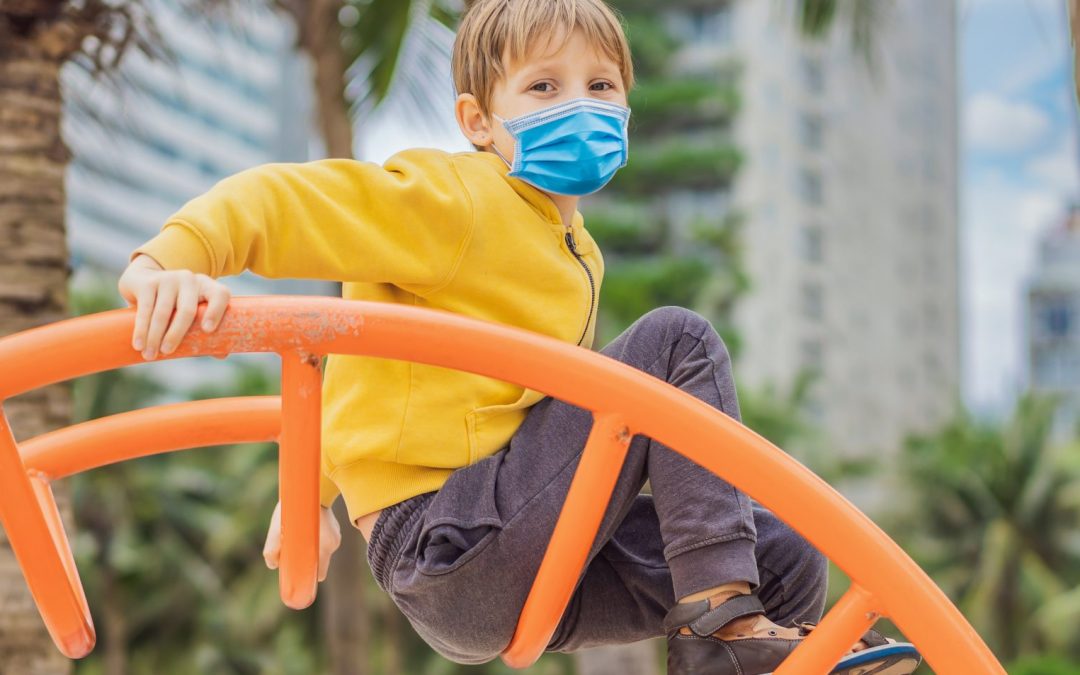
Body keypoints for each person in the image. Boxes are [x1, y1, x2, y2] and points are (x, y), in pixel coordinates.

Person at [117, 1, 921, 673]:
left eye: (600, 86)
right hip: (447, 538)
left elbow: (397, 379)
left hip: (529, 554)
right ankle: (724, 631)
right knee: (678, 342)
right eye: (543, 87)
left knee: (783, 550)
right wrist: (171, 260)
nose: (581, 105)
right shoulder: (454, 199)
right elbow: (289, 201)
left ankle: (732, 637)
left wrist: (314, 496)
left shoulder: (577, 254)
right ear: (478, 120)